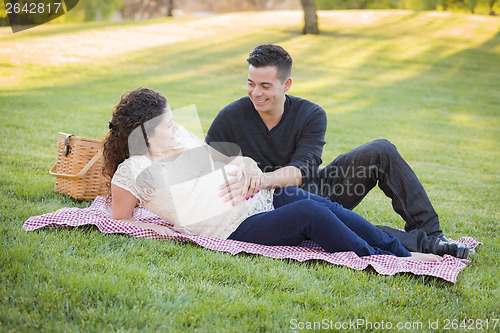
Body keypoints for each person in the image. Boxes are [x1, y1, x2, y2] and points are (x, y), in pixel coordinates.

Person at [102, 87, 441, 262]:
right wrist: (166, 229)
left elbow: (232, 159)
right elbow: (120, 220)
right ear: (144, 133)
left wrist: (246, 166)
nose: (176, 127)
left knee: (321, 204)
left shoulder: (181, 142)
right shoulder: (132, 170)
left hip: (257, 199)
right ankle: (382, 260)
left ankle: (400, 251)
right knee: (310, 214)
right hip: (232, 227)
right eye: (167, 123)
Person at [205, 44, 469, 259]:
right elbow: (205, 160)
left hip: (313, 190)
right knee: (329, 221)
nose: (255, 93)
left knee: (381, 150)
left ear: (286, 85)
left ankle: (431, 234)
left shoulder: (311, 114)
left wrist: (263, 178)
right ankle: (421, 246)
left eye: (265, 86)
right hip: (264, 207)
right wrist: (243, 163)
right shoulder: (230, 115)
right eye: (251, 83)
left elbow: (303, 171)